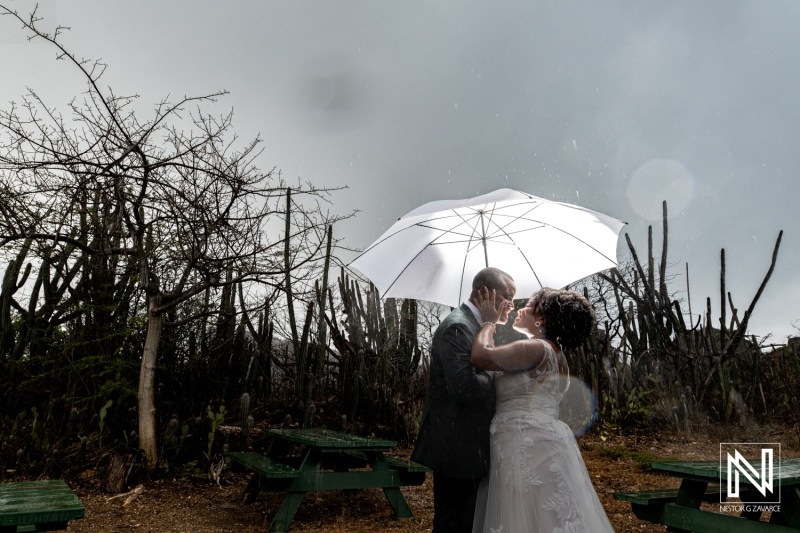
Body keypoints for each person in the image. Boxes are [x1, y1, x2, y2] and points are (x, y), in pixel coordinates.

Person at [469, 287, 614, 533]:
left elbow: (481, 356)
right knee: (543, 516)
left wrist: (489, 321)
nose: (521, 307)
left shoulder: (535, 348)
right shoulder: (558, 356)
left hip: (525, 443)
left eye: (530, 304)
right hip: (541, 442)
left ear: (542, 318)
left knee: (527, 516)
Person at [411, 267, 516, 533]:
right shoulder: (458, 326)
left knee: (470, 522)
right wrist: (497, 371)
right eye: (507, 296)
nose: (511, 306)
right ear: (484, 292)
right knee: (454, 524)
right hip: (457, 448)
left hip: (470, 446)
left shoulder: (476, 327)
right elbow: (464, 388)